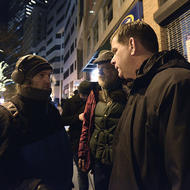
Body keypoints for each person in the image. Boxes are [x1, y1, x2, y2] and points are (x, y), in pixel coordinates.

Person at [109, 20, 190, 190]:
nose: (112, 60)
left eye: (115, 51)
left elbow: (182, 172)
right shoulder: (140, 88)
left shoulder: (176, 84)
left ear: (132, 45)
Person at [0, 54, 73, 190]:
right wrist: (32, 186)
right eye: (41, 75)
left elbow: (63, 151)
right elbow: (4, 171)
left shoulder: (51, 111)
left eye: (48, 75)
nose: (47, 80)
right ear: (25, 80)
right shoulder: (7, 115)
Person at [78, 50, 126, 190]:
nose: (100, 73)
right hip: (99, 162)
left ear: (115, 69)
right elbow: (87, 125)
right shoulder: (95, 94)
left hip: (120, 162)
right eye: (99, 69)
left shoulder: (128, 92)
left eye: (105, 68)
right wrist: (82, 152)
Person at [61, 80, 97, 190]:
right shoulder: (70, 102)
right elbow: (63, 120)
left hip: (91, 140)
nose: (85, 98)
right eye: (84, 95)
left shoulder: (94, 100)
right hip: (76, 141)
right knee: (82, 172)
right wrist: (78, 117)